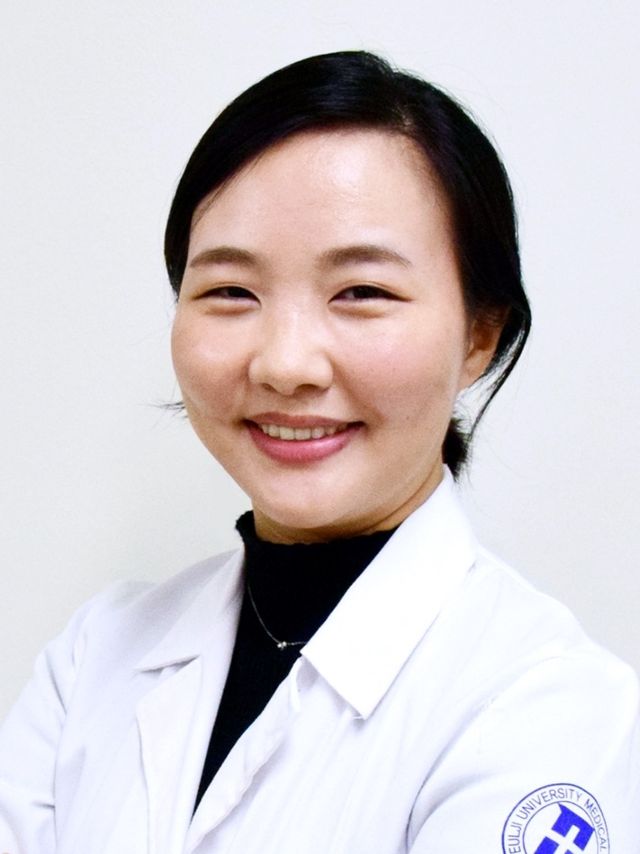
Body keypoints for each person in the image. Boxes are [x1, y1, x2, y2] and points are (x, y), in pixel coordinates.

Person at [0, 50, 637, 854]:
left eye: (362, 292)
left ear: (480, 334)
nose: (285, 364)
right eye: (231, 291)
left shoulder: (550, 709)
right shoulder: (96, 656)